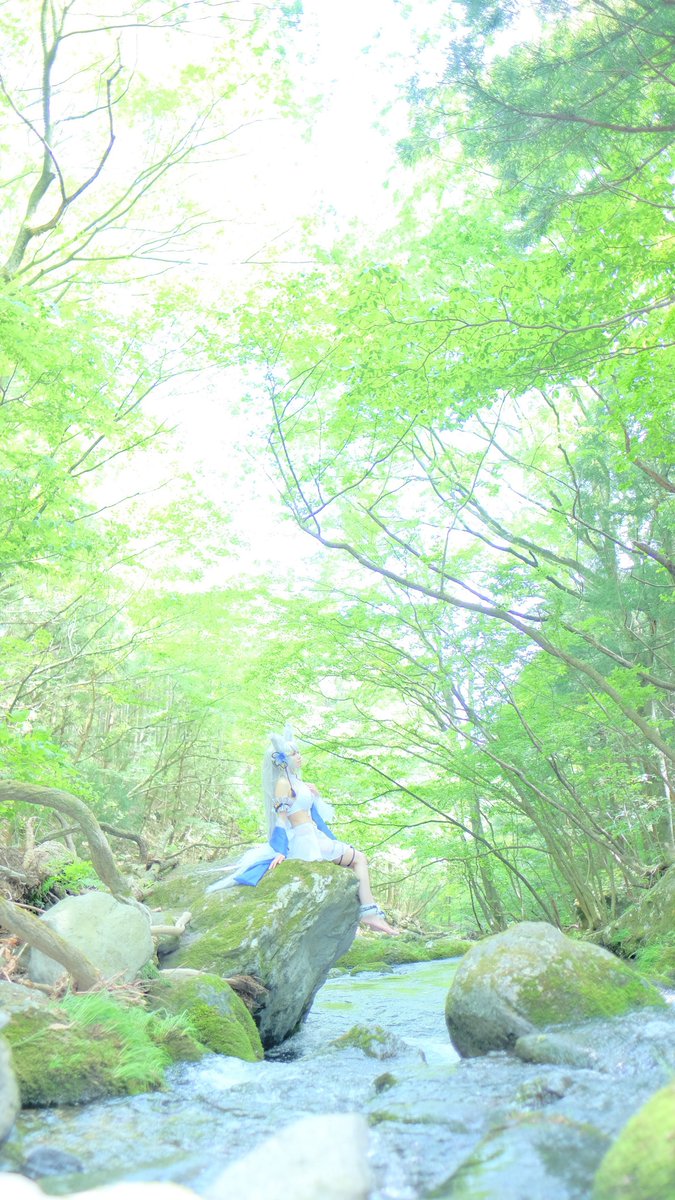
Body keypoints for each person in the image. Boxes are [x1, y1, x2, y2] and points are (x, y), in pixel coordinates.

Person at [207, 724, 396, 935]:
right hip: (304, 839)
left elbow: (314, 814)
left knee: (358, 859)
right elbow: (281, 820)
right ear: (282, 759)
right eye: (293, 754)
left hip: (313, 834)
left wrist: (315, 795)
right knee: (359, 858)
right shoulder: (282, 784)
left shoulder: (298, 781)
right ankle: (369, 914)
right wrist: (281, 850)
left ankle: (368, 913)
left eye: (298, 752)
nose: (299, 757)